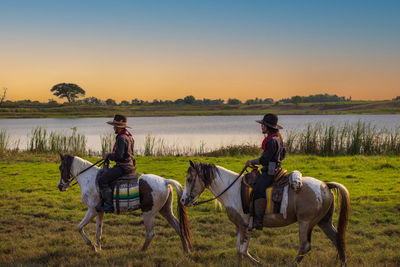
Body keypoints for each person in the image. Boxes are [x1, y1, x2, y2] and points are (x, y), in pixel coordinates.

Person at [246, 113, 286, 230]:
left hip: (270, 171)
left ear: (268, 127)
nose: (262, 126)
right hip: (275, 168)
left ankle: (258, 221)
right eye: (262, 124)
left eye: (263, 125)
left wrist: (251, 162)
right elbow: (283, 155)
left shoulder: (270, 141)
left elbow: (264, 159)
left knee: (258, 189)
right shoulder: (277, 138)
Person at [95, 114, 136, 213]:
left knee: (102, 180)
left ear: (119, 127)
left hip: (123, 167)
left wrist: (108, 155)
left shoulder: (121, 138)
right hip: (130, 165)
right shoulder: (129, 136)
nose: (113, 128)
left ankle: (108, 205)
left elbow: (118, 156)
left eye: (114, 126)